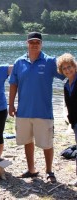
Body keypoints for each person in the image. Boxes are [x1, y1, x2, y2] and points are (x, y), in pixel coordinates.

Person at [9, 32, 64, 183]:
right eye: (31, 42)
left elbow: (68, 73)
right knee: (27, 141)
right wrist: (11, 104)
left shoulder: (50, 62)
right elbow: (13, 84)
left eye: (37, 42)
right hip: (24, 111)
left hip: (43, 111)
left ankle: (49, 171)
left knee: (47, 143)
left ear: (41, 44)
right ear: (27, 43)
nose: (34, 44)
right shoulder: (19, 62)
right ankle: (31, 169)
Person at [57, 53, 77, 187]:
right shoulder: (66, 85)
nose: (67, 70)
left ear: (74, 66)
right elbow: (68, 105)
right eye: (64, 68)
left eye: (69, 67)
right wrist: (71, 120)